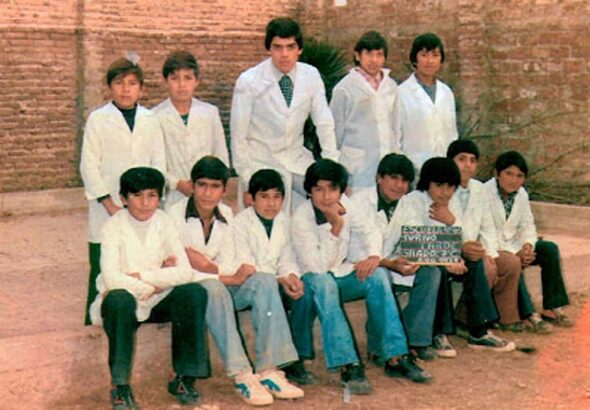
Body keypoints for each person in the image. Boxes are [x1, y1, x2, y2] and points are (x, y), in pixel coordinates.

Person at [167, 156, 303, 405]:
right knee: (214, 287)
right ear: (192, 186)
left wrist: (209, 266)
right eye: (202, 185)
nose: (208, 193)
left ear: (224, 190)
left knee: (264, 281)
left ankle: (270, 371)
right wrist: (216, 272)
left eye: (215, 186)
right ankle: (242, 375)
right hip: (190, 292)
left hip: (223, 284)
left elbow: (232, 261)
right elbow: (179, 267)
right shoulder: (174, 215)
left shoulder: (227, 214)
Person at [290, 159, 429, 395]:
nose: (326, 196)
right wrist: (335, 226)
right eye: (319, 189)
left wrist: (374, 256)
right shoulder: (301, 217)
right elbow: (317, 267)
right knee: (324, 283)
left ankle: (396, 355)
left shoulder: (347, 205)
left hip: (338, 274)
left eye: (332, 189)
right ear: (309, 191)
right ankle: (348, 364)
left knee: (378, 276)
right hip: (311, 279)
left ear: (341, 190)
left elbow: (370, 230)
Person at [88, 167, 208, 409]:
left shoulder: (164, 222)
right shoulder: (112, 227)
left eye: (152, 196)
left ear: (159, 198)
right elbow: (111, 277)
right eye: (137, 196)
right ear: (123, 198)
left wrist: (146, 276)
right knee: (119, 299)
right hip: (124, 303)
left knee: (193, 292)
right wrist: (154, 284)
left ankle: (183, 377)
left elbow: (185, 271)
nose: (145, 203)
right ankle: (120, 386)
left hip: (157, 299)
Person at [393, 158, 514, 357]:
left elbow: (460, 235)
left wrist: (452, 222)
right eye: (439, 185)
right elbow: (414, 241)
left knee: (475, 262)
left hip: (442, 254)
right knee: (438, 270)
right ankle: (438, 332)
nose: (445, 192)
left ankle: (479, 331)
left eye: (450, 186)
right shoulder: (412, 201)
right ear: (427, 183)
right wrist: (447, 257)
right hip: (411, 259)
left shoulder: (452, 201)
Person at [80, 56, 166, 325]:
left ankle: (134, 320)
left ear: (141, 88)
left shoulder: (150, 119)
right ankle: (94, 325)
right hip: (107, 208)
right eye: (119, 83)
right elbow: (89, 165)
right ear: (109, 87)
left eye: (132, 83)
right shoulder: (98, 119)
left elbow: (158, 163)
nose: (125, 89)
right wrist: (109, 203)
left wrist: (149, 201)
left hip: (143, 206)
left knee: (138, 265)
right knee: (103, 268)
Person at [230, 17, 339, 210]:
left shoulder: (311, 75)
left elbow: (324, 122)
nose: (284, 54)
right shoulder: (248, 81)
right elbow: (238, 135)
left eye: (290, 47)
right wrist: (247, 180)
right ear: (269, 49)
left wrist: (330, 165)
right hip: (260, 162)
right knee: (267, 222)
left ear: (300, 49)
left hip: (297, 160)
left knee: (323, 208)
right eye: (277, 47)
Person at [350, 153, 439, 363]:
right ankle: (378, 345)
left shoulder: (406, 204)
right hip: (357, 265)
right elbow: (352, 251)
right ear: (379, 177)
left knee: (431, 273)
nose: (399, 185)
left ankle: (414, 340)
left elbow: (417, 236)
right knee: (380, 275)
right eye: (393, 178)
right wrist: (389, 264)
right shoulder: (358, 202)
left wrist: (414, 259)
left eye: (405, 181)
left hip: (390, 263)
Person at [232, 169, 316, 385]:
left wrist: (291, 277)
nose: (271, 204)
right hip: (245, 286)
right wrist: (280, 279)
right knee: (267, 282)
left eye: (277, 197)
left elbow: (287, 258)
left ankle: (296, 358)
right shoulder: (239, 223)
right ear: (250, 199)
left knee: (304, 289)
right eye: (264, 196)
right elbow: (246, 266)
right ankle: (274, 364)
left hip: (273, 281)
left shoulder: (284, 221)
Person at [484, 151, 572, 330]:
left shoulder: (521, 194)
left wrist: (527, 245)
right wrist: (516, 253)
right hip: (493, 248)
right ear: (496, 173)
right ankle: (529, 313)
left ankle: (552, 307)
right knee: (514, 262)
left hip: (515, 245)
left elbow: (527, 225)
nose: (513, 180)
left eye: (519, 176)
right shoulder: (484, 193)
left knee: (549, 249)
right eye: (509, 174)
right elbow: (486, 231)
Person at [446, 140, 522, 330]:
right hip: (451, 247)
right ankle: (467, 319)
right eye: (462, 159)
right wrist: (462, 246)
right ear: (450, 161)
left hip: (475, 248)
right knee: (486, 268)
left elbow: (487, 226)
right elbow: (439, 226)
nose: (468, 165)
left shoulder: (479, 189)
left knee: (511, 263)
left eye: (473, 160)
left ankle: (505, 316)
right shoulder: (441, 186)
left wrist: (489, 253)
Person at [153, 50, 229, 209]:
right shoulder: (155, 117)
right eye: (175, 78)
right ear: (165, 81)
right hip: (174, 195)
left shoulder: (209, 113)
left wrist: (212, 183)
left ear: (197, 81)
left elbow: (220, 155)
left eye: (188, 78)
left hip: (207, 191)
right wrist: (177, 183)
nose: (182, 85)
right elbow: (154, 162)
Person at [330, 31, 401, 191]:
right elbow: (335, 133)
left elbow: (396, 128)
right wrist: (338, 173)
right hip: (356, 167)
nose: (374, 60)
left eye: (379, 54)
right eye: (369, 54)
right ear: (358, 55)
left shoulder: (391, 86)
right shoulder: (344, 88)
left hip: (386, 163)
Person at [396, 32, 458, 171]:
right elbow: (396, 138)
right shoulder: (401, 94)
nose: (430, 61)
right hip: (415, 169)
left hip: (445, 169)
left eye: (435, 55)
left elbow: (452, 134)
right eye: (424, 55)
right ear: (415, 59)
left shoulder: (446, 93)